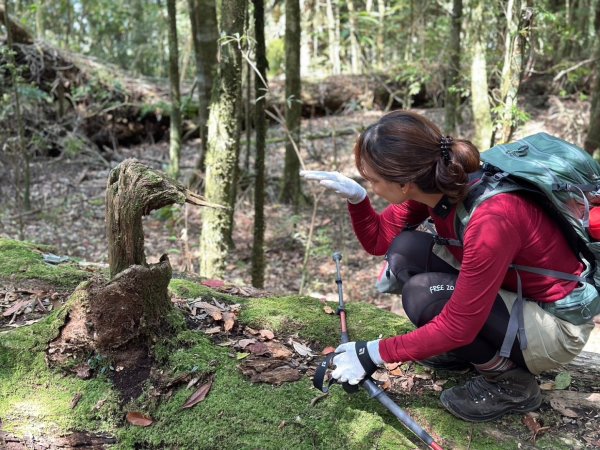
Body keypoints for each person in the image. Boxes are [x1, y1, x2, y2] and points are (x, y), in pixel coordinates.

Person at [300, 110, 597, 422]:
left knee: (423, 295)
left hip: (556, 326)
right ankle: (469, 353)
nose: (371, 186)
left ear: (404, 184)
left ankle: (511, 384)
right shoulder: (434, 186)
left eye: (372, 180)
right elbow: (380, 242)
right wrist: (358, 198)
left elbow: (458, 325)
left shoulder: (492, 219)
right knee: (405, 251)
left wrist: (372, 353)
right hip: (516, 295)